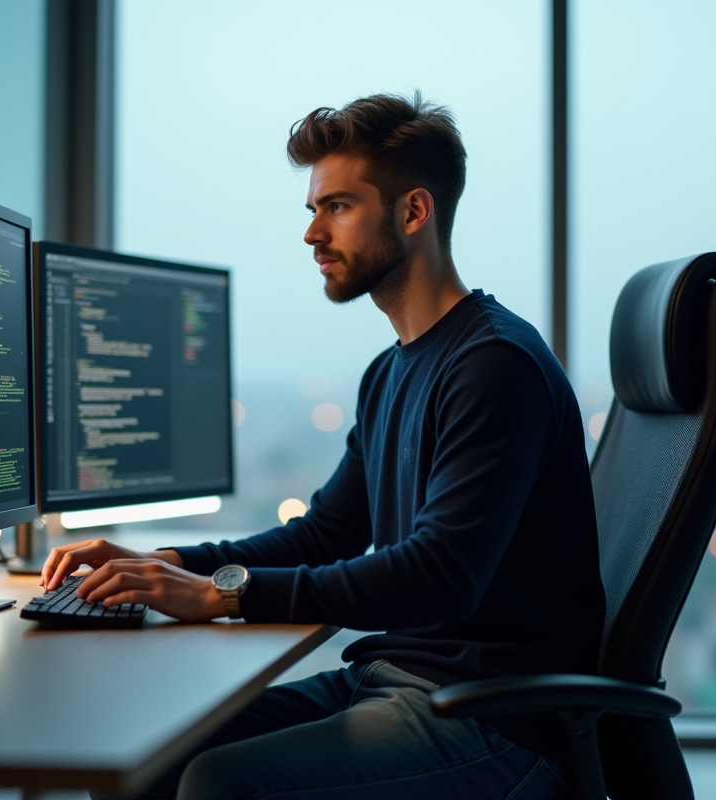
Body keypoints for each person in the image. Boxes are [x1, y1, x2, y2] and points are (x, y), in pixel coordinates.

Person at [41, 92, 605, 800]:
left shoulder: (494, 365)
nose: (312, 234)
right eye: (313, 209)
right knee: (150, 752)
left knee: (216, 782)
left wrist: (221, 597)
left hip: (490, 719)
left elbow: (440, 574)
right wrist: (165, 564)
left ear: (412, 212)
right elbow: (329, 532)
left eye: (336, 207)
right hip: (389, 681)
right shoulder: (392, 368)